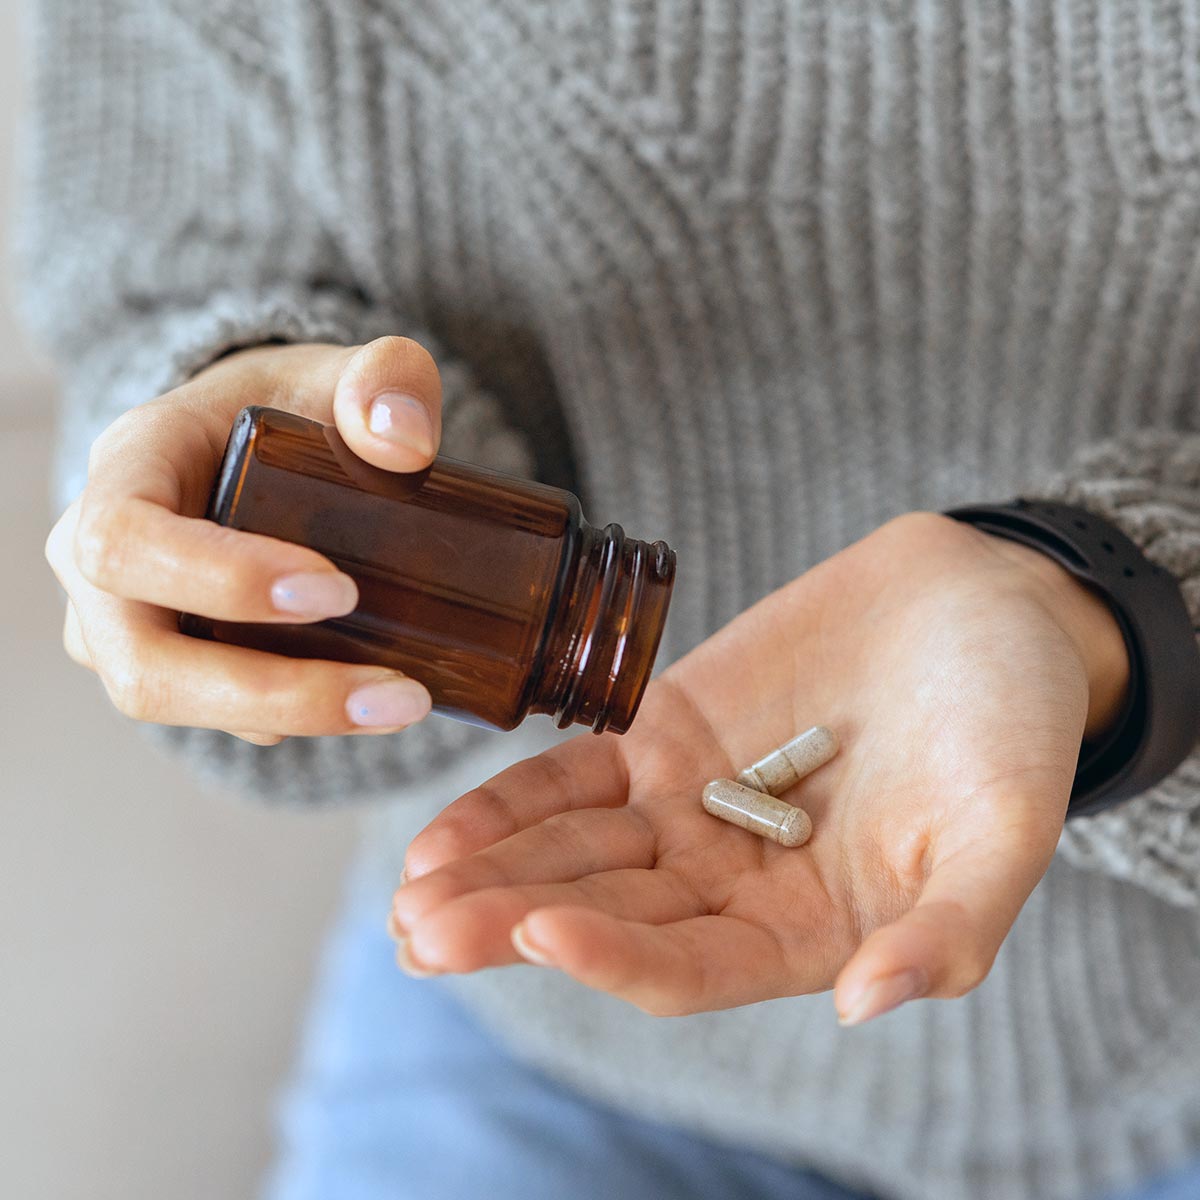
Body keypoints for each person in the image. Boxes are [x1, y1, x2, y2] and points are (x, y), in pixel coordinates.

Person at [18, 2, 1200, 1198]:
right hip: (550, 999)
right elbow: (163, 267)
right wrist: (243, 460)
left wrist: (1116, 614)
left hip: (1176, 1048)